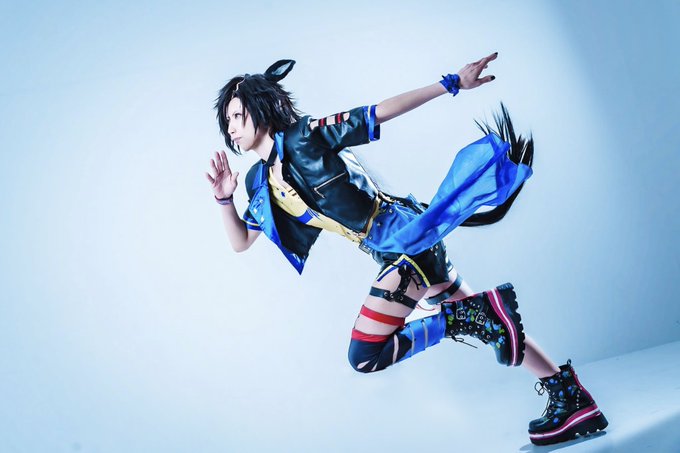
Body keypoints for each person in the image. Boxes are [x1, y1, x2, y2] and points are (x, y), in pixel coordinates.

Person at [205, 54, 608, 446]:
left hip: (405, 239)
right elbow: (241, 242)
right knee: (494, 324)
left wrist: (452, 83)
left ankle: (466, 319)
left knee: (366, 355)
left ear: (261, 107)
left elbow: (378, 112)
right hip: (391, 249)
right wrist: (225, 200)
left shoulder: (306, 136)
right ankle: (572, 398)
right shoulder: (261, 182)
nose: (232, 127)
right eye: (227, 121)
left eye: (237, 115)